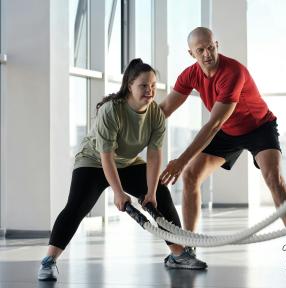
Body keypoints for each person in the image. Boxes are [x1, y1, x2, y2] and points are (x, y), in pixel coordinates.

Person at [37, 59, 207, 282]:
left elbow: (155, 155)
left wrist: (152, 192)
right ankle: (49, 261)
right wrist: (118, 193)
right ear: (130, 85)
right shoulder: (111, 111)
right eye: (144, 85)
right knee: (77, 207)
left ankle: (177, 254)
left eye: (154, 85)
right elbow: (106, 156)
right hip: (94, 161)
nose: (150, 90)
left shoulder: (155, 114)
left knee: (163, 194)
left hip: (126, 162)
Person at [159, 27, 286, 269]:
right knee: (191, 176)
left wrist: (181, 159)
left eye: (210, 47)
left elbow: (214, 123)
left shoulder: (233, 72)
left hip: (259, 127)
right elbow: (164, 110)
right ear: (191, 54)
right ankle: (188, 249)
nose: (207, 53)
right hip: (228, 131)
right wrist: (129, 124)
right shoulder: (189, 75)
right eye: (200, 50)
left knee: (273, 178)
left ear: (216, 45)